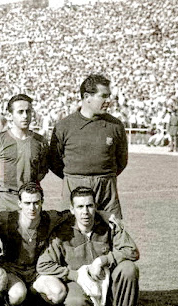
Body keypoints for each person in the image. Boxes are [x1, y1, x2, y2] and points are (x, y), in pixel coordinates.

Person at [36, 186, 141, 306]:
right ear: (72, 209)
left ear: (95, 206)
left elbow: (131, 251)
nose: (85, 212)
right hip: (80, 284)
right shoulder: (62, 232)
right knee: (75, 303)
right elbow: (43, 265)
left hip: (107, 281)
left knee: (128, 269)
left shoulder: (108, 224)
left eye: (89, 206)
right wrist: (75, 275)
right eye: (80, 207)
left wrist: (103, 260)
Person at [49, 74, 128, 219]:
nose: (108, 101)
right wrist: (76, 176)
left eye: (109, 96)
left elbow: (121, 160)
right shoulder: (64, 126)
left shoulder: (115, 126)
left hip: (106, 189)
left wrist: (103, 176)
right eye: (103, 96)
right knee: (71, 235)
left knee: (112, 234)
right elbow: (54, 162)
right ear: (87, 97)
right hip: (74, 187)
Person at [0, 182, 66, 306]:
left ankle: (31, 305)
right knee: (17, 293)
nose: (32, 208)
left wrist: (105, 215)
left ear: (42, 202)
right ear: (19, 203)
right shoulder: (6, 219)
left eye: (36, 203)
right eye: (27, 203)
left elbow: (74, 213)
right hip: (13, 271)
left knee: (58, 293)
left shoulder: (50, 218)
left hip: (37, 273)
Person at [0, 94, 48, 213]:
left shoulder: (40, 141)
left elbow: (43, 169)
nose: (25, 116)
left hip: (31, 201)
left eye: (28, 111)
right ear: (10, 115)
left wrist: (32, 186)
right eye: (20, 112)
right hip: (5, 201)